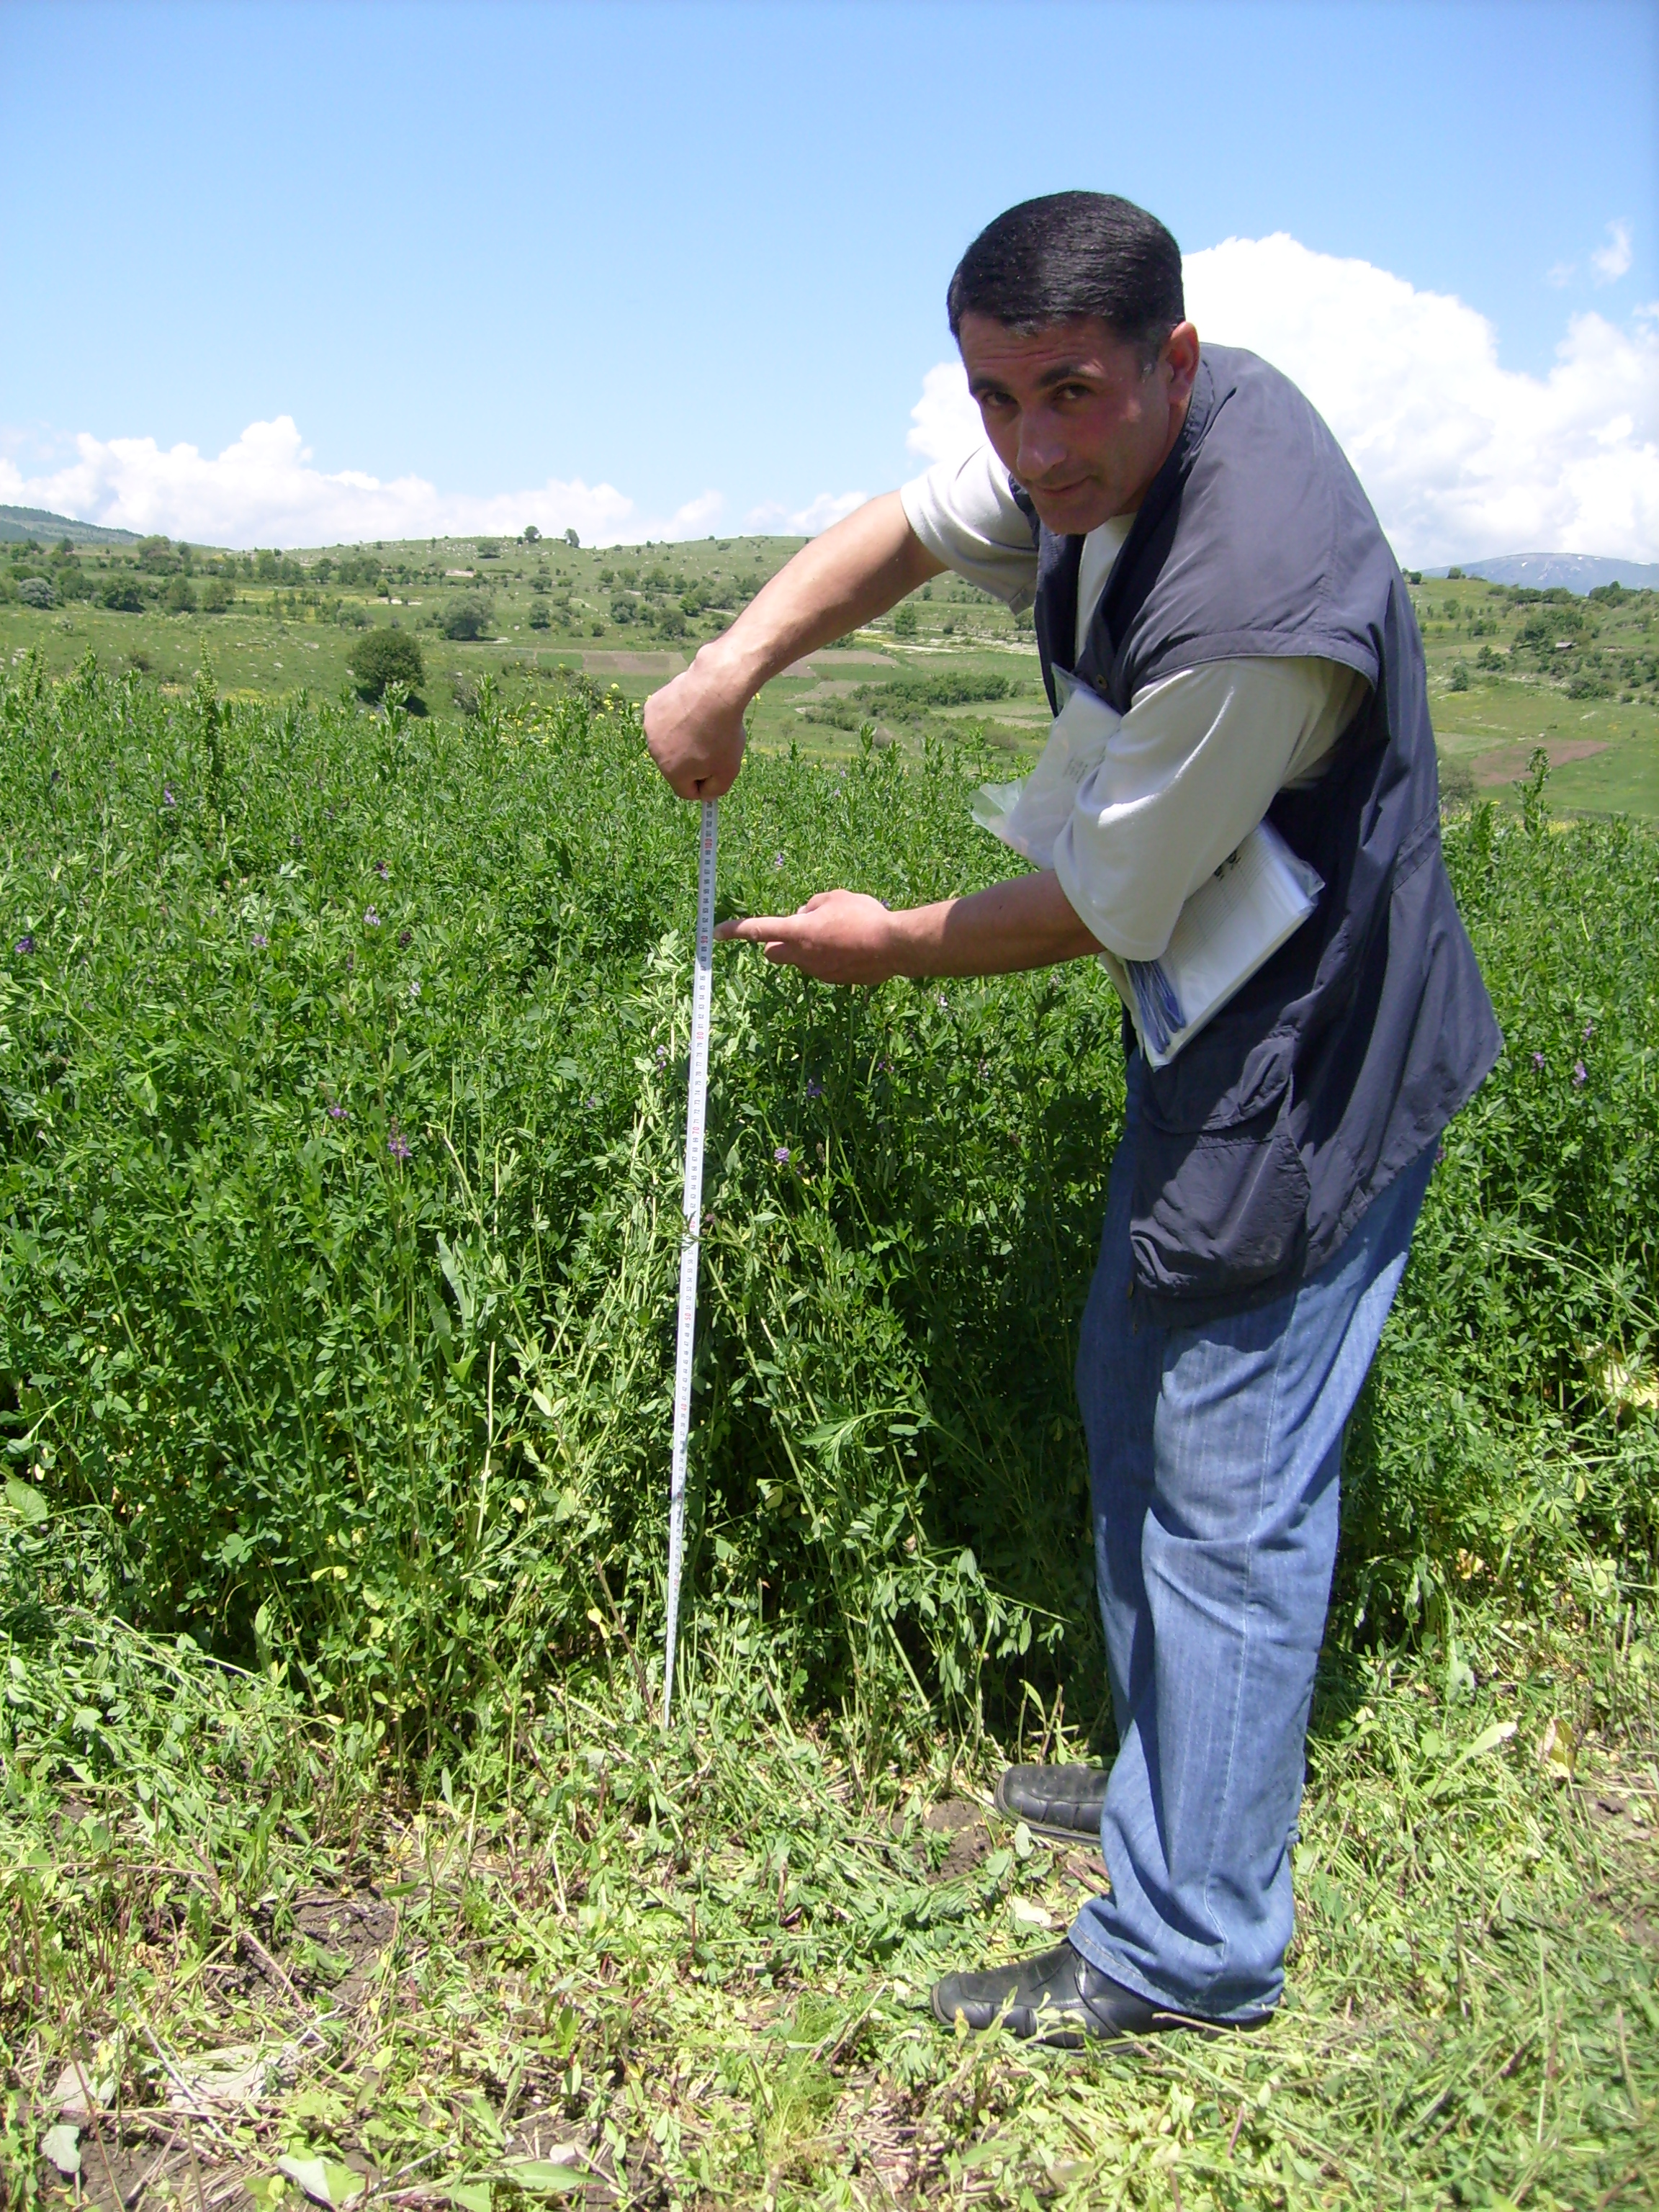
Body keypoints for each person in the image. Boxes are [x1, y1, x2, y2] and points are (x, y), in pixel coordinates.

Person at [643, 191, 1499, 2048]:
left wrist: (882, 944)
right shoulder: (1089, 449)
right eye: (998, 396)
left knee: (1233, 1482)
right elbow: (904, 526)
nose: (1035, 448)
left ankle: (1191, 1944)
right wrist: (732, 665)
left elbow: (1100, 907)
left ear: (1174, 362)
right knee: (1141, 1378)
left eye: (1073, 397)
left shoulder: (1245, 612)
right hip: (1223, 1018)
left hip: (1312, 1054)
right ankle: (1166, 1768)